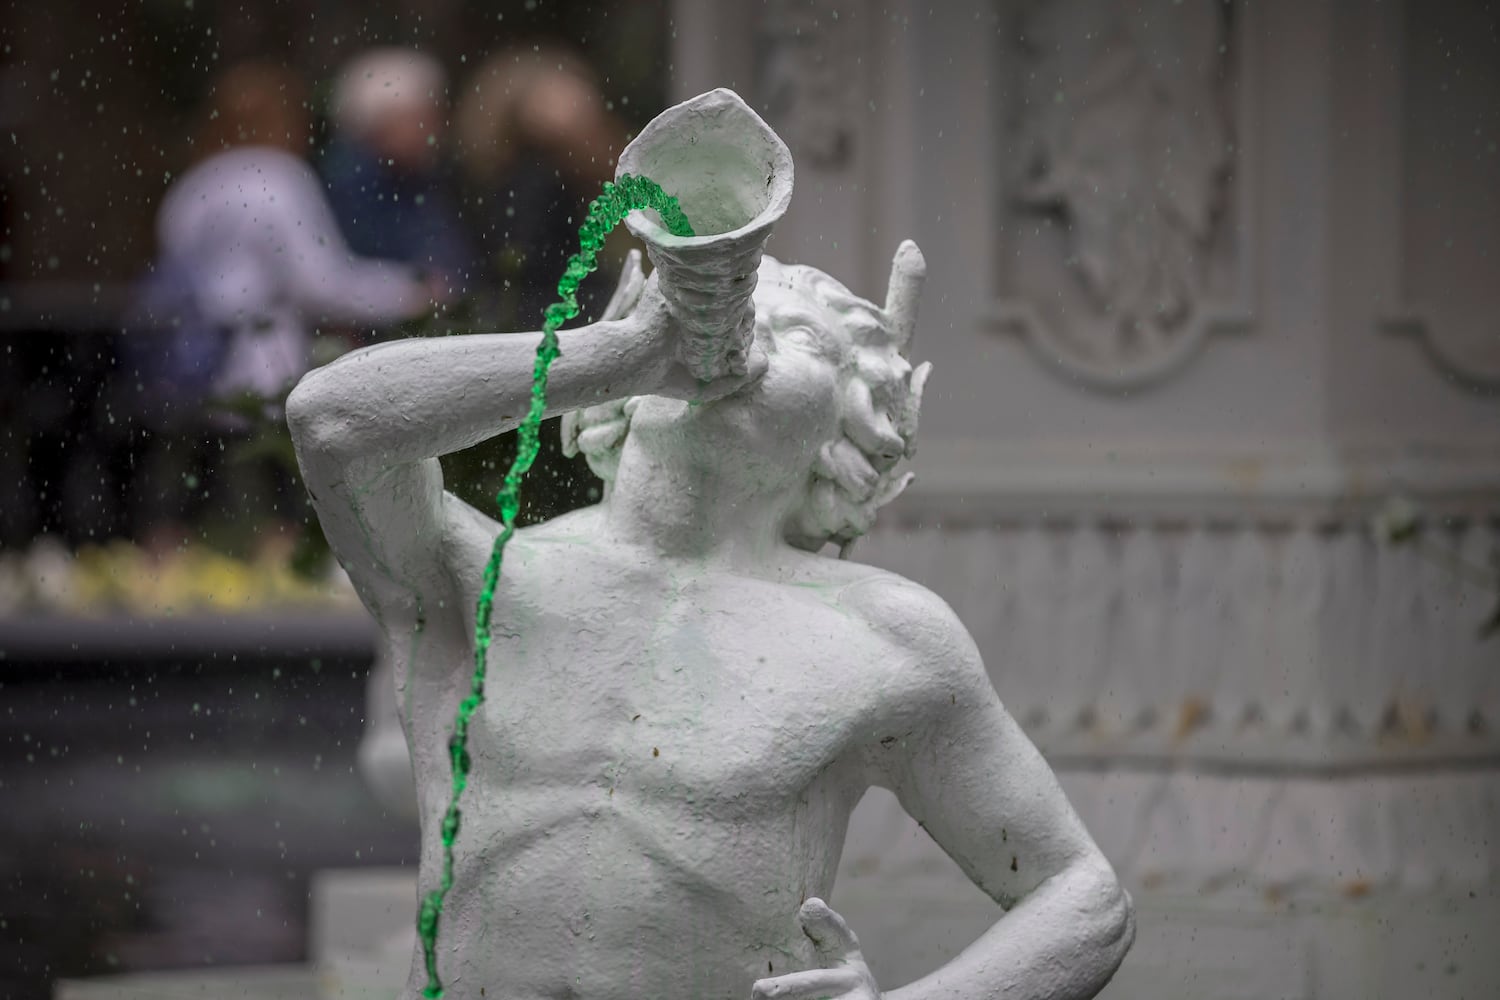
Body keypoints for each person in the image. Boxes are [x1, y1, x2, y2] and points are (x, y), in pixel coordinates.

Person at [287, 235, 1134, 999]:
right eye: (718, 316)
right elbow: (331, 421)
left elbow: (1083, 900)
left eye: (796, 335)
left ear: (850, 429)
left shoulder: (882, 638)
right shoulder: (477, 573)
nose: (739, 340)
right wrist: (625, 351)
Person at [132, 61, 434, 551]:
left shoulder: (193, 187)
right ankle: (287, 582)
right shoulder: (278, 180)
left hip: (194, 361)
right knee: (285, 492)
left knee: (191, 486)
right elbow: (319, 282)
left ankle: (169, 579)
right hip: (263, 361)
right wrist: (407, 291)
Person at [323, 48, 475, 299]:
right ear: (380, 123)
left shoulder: (426, 176)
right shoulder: (351, 187)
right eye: (422, 118)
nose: (436, 130)